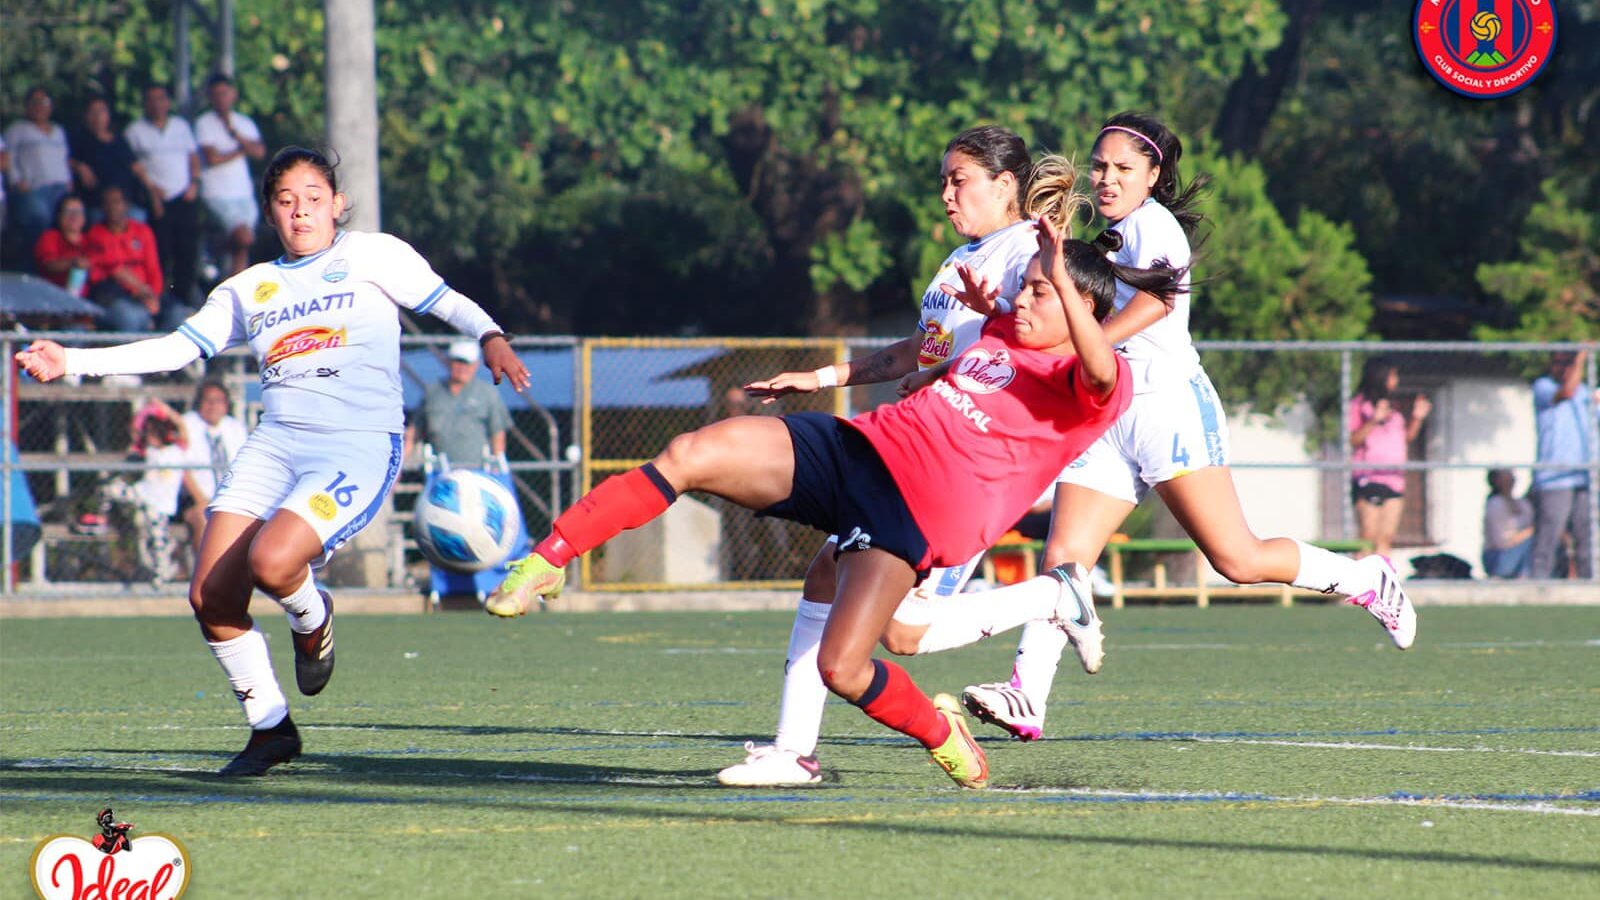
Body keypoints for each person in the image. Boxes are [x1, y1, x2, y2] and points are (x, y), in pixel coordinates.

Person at [487, 219, 1180, 790]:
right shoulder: (1002, 329)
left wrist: (1059, 273)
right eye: (1024, 287)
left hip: (912, 513)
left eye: (1040, 291)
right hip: (859, 449)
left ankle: (941, 731)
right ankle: (549, 559)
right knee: (692, 453)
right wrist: (942, 338)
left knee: (846, 666)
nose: (1022, 300)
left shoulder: (1099, 377)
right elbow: (932, 356)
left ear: (1084, 308)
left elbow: (1092, 361)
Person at [14, 145, 531, 777]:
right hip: (275, 445)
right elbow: (177, 349)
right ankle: (271, 730)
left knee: (272, 560)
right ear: (269, 213)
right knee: (209, 595)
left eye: (314, 198)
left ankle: (313, 618)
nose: (301, 212)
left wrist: (492, 337)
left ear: (337, 204)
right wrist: (73, 361)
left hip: (356, 444)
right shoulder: (248, 288)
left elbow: (446, 301)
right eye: (286, 202)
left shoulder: (373, 254)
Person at [946, 113, 1416, 744]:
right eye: (1101, 166)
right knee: (1064, 561)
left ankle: (1365, 578)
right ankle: (1026, 693)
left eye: (1123, 168)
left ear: (1153, 175)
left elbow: (1156, 303)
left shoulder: (1152, 224)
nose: (1107, 179)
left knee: (1238, 559)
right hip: (1109, 413)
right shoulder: (1108, 237)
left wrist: (1084, 351)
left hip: (1167, 410)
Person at [711, 125, 1056, 786]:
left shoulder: (1027, 256)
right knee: (828, 576)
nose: (947, 194)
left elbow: (1033, 349)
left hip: (962, 466)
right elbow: (913, 350)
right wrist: (816, 379)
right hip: (920, 450)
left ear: (1005, 184)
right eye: (944, 180)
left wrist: (952, 376)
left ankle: (1052, 596)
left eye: (961, 180)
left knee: (900, 637)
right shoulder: (962, 255)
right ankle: (794, 752)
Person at [1348, 357, 1431, 559]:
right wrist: (1373, 420)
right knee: (1368, 538)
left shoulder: (1393, 409)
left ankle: (1383, 586)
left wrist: (1417, 418)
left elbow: (1405, 438)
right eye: (1393, 376)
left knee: (1386, 538)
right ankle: (1361, 585)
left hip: (1394, 478)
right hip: (1369, 477)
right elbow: (1353, 439)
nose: (1396, 381)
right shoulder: (1359, 404)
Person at [125, 84, 201, 301]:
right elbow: (133, 165)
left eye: (161, 98)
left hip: (183, 195)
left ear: (168, 102)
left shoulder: (180, 126)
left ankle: (185, 297)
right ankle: (162, 297)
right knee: (161, 249)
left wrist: (194, 182)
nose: (156, 104)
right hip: (155, 199)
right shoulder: (135, 130)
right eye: (151, 99)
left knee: (187, 249)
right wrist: (149, 188)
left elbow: (192, 156)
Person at [85, 185, 191, 332]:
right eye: (107, 203)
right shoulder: (95, 234)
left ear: (126, 205)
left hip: (146, 294)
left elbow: (153, 268)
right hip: (113, 296)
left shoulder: (142, 231)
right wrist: (144, 293)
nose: (111, 207)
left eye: (116, 202)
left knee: (177, 312)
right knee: (133, 316)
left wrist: (153, 295)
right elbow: (117, 270)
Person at [1529, 351, 1595, 579]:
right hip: (1554, 478)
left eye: (1568, 364)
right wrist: (1580, 359)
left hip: (1584, 476)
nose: (1565, 368)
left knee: (1587, 537)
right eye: (1560, 363)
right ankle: (1538, 585)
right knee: (1549, 535)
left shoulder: (1586, 394)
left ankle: (1591, 587)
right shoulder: (1544, 387)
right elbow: (1566, 391)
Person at [194, 74, 266, 277]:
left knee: (244, 243)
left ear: (233, 95)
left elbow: (259, 152)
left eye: (224, 93)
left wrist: (235, 135)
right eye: (216, 94)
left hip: (243, 193)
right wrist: (242, 150)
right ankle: (216, 260)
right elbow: (213, 159)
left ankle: (232, 281)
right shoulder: (204, 123)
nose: (221, 99)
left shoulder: (243, 122)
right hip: (217, 193)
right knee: (243, 239)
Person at [402, 340, 511, 470]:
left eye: (466, 363)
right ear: (449, 362)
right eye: (457, 362)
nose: (461, 368)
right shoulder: (433, 393)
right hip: (440, 472)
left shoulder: (487, 393)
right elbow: (415, 430)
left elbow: (497, 433)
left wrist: (496, 466)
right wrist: (401, 463)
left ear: (476, 365)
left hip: (477, 471)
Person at [179, 379, 250, 557]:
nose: (213, 406)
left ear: (226, 405)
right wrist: (201, 499)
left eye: (218, 401)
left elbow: (244, 467)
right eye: (208, 401)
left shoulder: (235, 428)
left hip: (231, 499)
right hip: (196, 499)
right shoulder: (187, 424)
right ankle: (207, 575)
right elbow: (181, 469)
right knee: (205, 519)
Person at [4, 86, 73, 254]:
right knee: (40, 222)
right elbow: (8, 157)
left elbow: (64, 158)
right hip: (35, 189)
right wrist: (15, 180)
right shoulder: (17, 130)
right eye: (35, 102)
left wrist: (70, 180)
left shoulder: (59, 131)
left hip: (61, 188)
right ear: (27, 105)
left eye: (44, 102)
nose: (40, 106)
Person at [70, 95, 151, 224]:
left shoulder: (119, 140)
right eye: (93, 112)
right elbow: (65, 159)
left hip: (126, 204)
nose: (97, 117)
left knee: (139, 218)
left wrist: (152, 189)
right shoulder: (78, 140)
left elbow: (135, 166)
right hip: (97, 205)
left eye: (102, 111)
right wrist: (79, 166)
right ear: (86, 115)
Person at [32, 193, 92, 296]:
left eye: (78, 212)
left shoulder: (91, 240)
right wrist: (73, 263)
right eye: (68, 212)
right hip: (54, 297)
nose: (74, 216)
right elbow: (48, 265)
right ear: (59, 216)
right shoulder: (50, 237)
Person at [1482, 468, 1533, 579]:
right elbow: (1501, 542)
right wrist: (1528, 533)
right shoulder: (1494, 505)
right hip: (1499, 558)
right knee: (1531, 541)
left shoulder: (1523, 504)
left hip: (1519, 556)